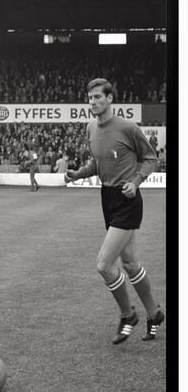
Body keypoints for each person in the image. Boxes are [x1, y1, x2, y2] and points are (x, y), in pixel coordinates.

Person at [65, 78, 164, 344]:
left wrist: (135, 181)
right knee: (130, 264)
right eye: (90, 98)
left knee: (104, 265)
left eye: (98, 97)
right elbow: (97, 164)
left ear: (110, 99)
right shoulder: (90, 128)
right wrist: (78, 174)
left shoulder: (127, 127)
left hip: (127, 199)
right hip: (107, 198)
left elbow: (151, 158)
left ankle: (128, 314)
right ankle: (154, 314)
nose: (93, 102)